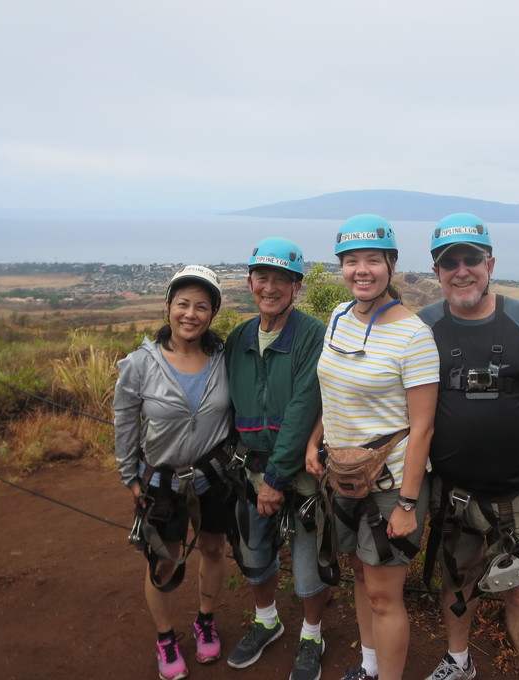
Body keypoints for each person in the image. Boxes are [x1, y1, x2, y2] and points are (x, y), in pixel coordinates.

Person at [416, 214, 519, 680]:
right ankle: (458, 661)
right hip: (453, 491)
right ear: (437, 272)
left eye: (472, 258)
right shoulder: (422, 327)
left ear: (491, 264)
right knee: (457, 576)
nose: (462, 269)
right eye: (450, 261)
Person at [305, 214, 440, 680]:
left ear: (392, 264)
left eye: (373, 261)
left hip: (390, 485)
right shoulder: (340, 316)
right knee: (361, 576)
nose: (361, 270)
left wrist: (406, 503)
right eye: (351, 261)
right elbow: (332, 386)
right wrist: (316, 437)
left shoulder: (414, 335)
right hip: (344, 475)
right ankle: (368, 666)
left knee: (385, 595)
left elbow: (422, 428)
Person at [113, 264, 233, 680]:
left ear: (212, 314)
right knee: (164, 561)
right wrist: (130, 476)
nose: (191, 314)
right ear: (168, 306)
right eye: (183, 303)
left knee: (215, 550)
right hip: (161, 480)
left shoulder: (222, 359)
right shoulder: (140, 364)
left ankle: (205, 619)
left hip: (213, 478)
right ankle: (165, 637)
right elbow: (125, 421)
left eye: (202, 306)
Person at [222, 237, 333, 680]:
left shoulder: (311, 336)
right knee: (253, 552)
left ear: (297, 287)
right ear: (250, 282)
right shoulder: (238, 338)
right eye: (262, 277)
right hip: (249, 467)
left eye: (281, 279)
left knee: (307, 564)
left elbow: (305, 406)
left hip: (297, 471)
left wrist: (276, 477)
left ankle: (312, 633)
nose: (270, 287)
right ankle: (267, 620)